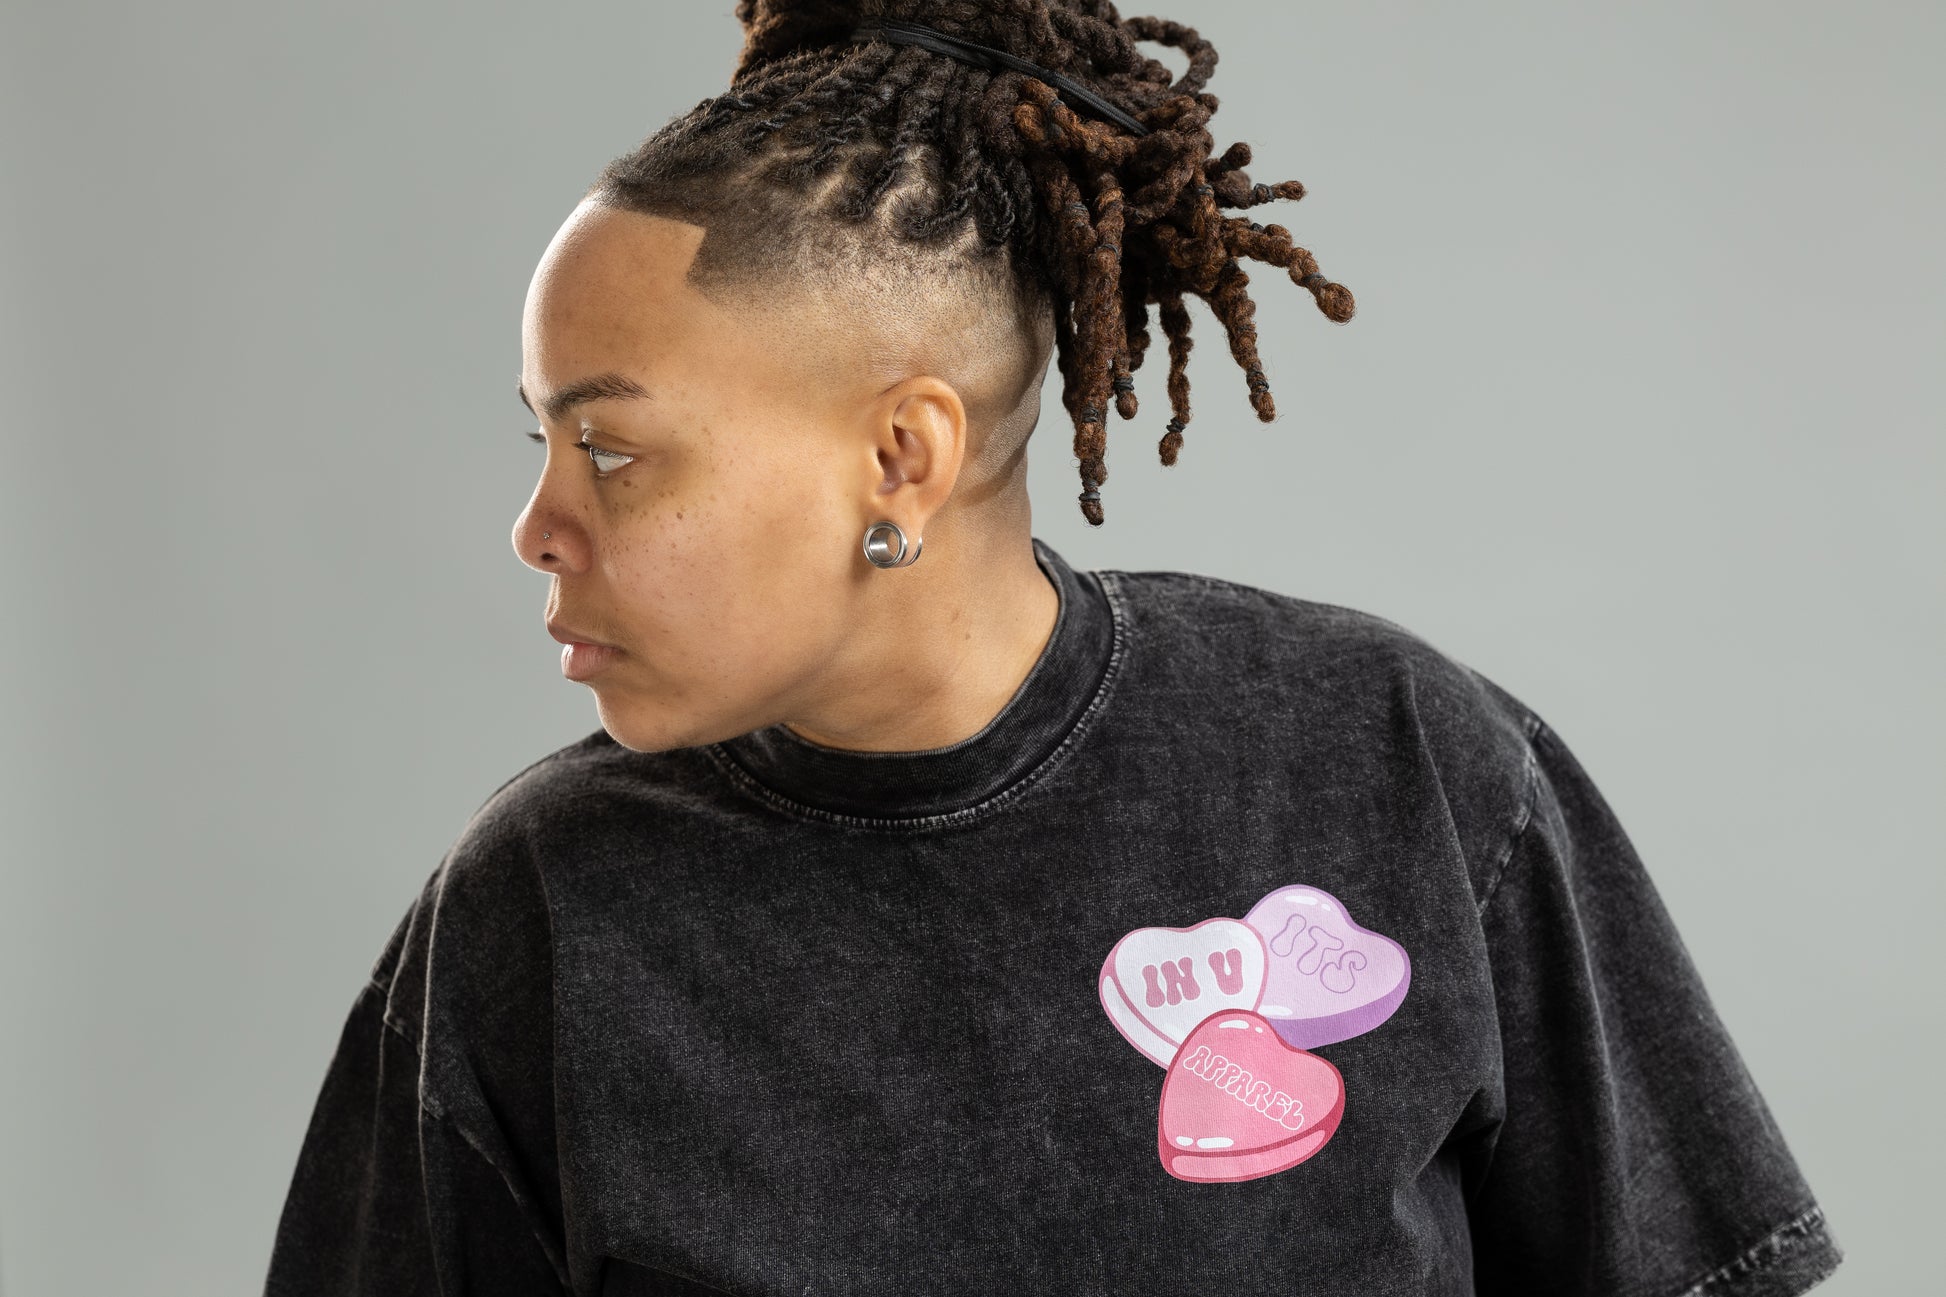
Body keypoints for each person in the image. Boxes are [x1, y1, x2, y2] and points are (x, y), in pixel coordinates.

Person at [261, 4, 1844, 1295]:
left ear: (901, 456)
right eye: (540, 443)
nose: (536, 526)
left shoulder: (1397, 760)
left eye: (610, 451)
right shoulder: (540, 907)